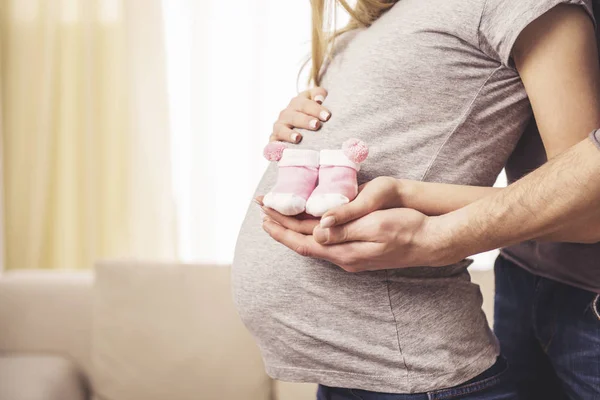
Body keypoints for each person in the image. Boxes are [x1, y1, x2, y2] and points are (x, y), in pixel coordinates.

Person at [233, 0, 600, 399]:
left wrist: (413, 204)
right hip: (354, 371)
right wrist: (302, 135)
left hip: (413, 364)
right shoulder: (378, 22)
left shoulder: (517, 8)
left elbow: (583, 204)